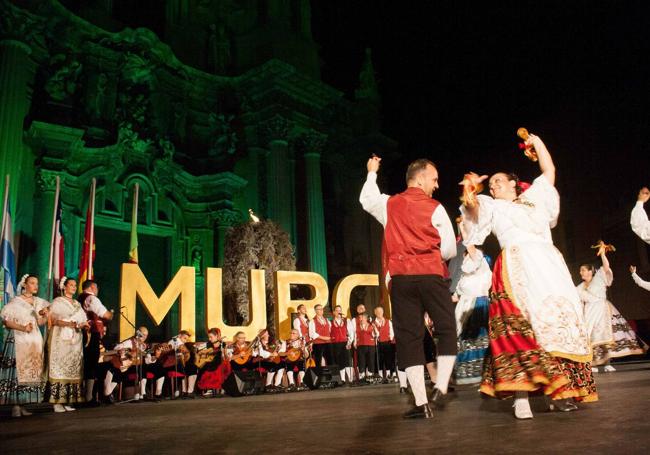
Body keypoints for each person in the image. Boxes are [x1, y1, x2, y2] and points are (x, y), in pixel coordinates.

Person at [460, 132, 596, 419]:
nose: (494, 185)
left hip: (549, 262)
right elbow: (473, 210)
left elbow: (549, 171)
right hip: (517, 263)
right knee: (521, 327)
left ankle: (560, 391)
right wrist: (470, 190)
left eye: (499, 180)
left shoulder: (534, 196)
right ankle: (520, 395)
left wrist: (539, 143)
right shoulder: (492, 205)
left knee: (559, 324)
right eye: (491, 183)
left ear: (513, 183)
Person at [361, 155, 457, 419]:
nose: (436, 185)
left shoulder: (389, 204)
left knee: (409, 338)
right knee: (447, 328)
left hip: (402, 278)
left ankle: (421, 403)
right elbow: (448, 247)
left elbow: (366, 199)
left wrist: (371, 172)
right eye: (434, 179)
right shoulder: (435, 207)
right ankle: (440, 386)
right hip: (431, 274)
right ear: (421, 177)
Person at [577, 253, 646, 372]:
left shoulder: (599, 278)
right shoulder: (579, 287)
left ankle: (607, 363)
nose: (580, 273)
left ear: (590, 271)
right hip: (589, 313)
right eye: (580, 270)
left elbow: (606, 267)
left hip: (602, 310)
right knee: (591, 336)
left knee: (606, 335)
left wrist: (603, 254)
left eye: (583, 270)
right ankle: (592, 364)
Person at [0, 274, 49, 417]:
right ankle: (14, 405)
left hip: (33, 341)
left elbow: (39, 323)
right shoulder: (16, 302)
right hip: (19, 339)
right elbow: (7, 322)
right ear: (24, 285)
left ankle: (22, 404)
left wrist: (45, 315)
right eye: (32, 283)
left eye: (37, 283)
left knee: (29, 372)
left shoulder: (38, 302)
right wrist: (23, 328)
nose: (36, 286)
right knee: (17, 372)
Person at [452, 223, 491, 385]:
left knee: (477, 337)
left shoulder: (479, 258)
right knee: (465, 339)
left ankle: (483, 374)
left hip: (477, 303)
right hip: (465, 303)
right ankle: (470, 373)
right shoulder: (465, 263)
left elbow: (472, 249)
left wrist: (464, 229)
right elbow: (457, 292)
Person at [48, 277, 89, 412]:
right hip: (61, 340)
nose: (73, 287)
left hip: (75, 341)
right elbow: (53, 320)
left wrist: (84, 325)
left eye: (75, 285)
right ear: (64, 287)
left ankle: (67, 401)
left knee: (72, 369)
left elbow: (82, 319)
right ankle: (56, 402)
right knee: (60, 368)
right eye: (71, 285)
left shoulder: (77, 304)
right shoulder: (58, 302)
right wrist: (68, 323)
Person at [78, 279, 113, 403]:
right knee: (91, 364)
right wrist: (111, 314)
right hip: (91, 335)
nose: (97, 290)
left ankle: (84, 396)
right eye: (96, 288)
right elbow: (105, 314)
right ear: (92, 287)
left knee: (86, 364)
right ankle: (88, 397)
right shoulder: (92, 299)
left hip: (81, 334)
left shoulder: (79, 298)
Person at [102, 326, 149, 403]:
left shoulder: (142, 345)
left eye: (146, 335)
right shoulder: (129, 342)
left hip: (130, 366)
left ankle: (142, 394)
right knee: (116, 375)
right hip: (122, 366)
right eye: (143, 335)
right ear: (138, 334)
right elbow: (117, 348)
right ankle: (107, 394)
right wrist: (127, 352)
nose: (144, 337)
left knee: (143, 368)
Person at [197, 327, 230, 396]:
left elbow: (225, 355)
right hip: (211, 361)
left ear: (217, 336)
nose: (209, 339)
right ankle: (209, 389)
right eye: (209, 337)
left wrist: (226, 355)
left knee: (225, 365)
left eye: (211, 337)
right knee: (204, 367)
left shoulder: (222, 344)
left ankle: (222, 387)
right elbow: (204, 352)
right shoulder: (208, 344)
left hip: (219, 361)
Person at [330, 305, 355, 384]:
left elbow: (351, 332)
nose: (339, 312)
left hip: (345, 343)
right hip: (336, 344)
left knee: (347, 361)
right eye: (337, 310)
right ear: (334, 312)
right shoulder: (330, 322)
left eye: (340, 310)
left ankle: (350, 379)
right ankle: (343, 379)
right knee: (340, 362)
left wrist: (349, 342)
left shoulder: (346, 320)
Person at [373, 306, 396, 383]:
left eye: (381, 311)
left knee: (388, 359)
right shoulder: (373, 323)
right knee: (379, 360)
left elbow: (392, 331)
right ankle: (380, 376)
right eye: (378, 312)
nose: (379, 313)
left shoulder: (388, 321)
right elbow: (372, 334)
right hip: (378, 343)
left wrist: (390, 338)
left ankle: (389, 376)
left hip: (387, 343)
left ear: (383, 312)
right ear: (375, 313)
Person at [355, 312, 378, 382]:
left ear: (366, 318)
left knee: (370, 360)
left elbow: (376, 335)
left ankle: (370, 376)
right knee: (361, 360)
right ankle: (362, 376)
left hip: (370, 345)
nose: (360, 319)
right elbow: (355, 335)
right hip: (360, 345)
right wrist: (355, 343)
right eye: (360, 318)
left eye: (362, 317)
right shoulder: (357, 326)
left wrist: (375, 328)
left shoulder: (371, 325)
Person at [308, 304, 333, 368]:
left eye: (322, 309)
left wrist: (330, 337)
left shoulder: (327, 320)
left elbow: (330, 330)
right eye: (319, 309)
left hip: (328, 343)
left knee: (330, 360)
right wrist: (324, 338)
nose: (321, 310)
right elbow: (312, 334)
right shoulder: (312, 321)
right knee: (318, 361)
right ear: (315, 311)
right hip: (318, 344)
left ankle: (330, 376)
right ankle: (319, 376)